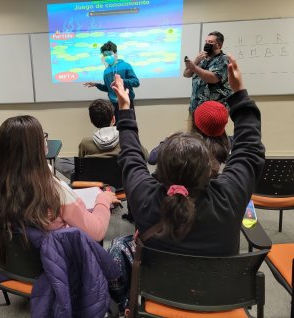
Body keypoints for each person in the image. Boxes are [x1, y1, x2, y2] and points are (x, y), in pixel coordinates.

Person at [108, 55, 265, 310]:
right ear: (209, 168)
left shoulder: (144, 197)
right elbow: (249, 150)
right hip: (219, 301)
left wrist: (124, 109)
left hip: (159, 297)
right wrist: (239, 94)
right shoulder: (229, 197)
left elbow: (131, 156)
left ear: (159, 170)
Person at [0, 115, 120, 243]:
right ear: (35, 147)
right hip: (57, 263)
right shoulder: (55, 191)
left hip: (14, 265)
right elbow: (96, 232)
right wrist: (103, 200)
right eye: (42, 136)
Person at [55, 98, 148, 181]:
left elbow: (81, 164)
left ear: (92, 121)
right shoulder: (127, 138)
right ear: (114, 119)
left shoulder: (85, 142)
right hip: (122, 181)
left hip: (94, 180)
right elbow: (145, 156)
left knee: (60, 161)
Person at [148, 100, 231, 177]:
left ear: (194, 123)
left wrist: (168, 140)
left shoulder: (186, 144)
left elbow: (152, 158)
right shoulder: (227, 144)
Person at [84, 41, 139, 122]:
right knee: (116, 129)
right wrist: (96, 85)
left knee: (129, 127)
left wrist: (121, 81)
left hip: (127, 102)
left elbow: (136, 82)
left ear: (115, 53)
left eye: (109, 54)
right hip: (113, 105)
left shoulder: (126, 65)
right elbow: (108, 88)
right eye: (105, 55)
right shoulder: (106, 71)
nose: (107, 57)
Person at [184, 31, 232, 114]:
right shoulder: (202, 58)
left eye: (210, 42)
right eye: (206, 42)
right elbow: (186, 74)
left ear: (219, 45)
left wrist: (194, 67)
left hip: (214, 111)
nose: (207, 44)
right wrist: (196, 61)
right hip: (195, 107)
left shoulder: (223, 59)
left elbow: (213, 78)